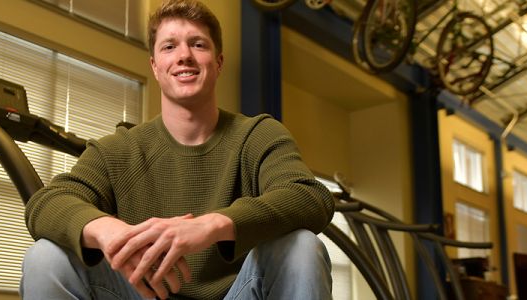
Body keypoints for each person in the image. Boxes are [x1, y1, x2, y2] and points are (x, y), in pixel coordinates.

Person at [20, 0, 335, 299]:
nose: (184, 55)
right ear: (156, 67)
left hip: (239, 294)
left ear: (218, 62)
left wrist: (211, 225)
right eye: (170, 46)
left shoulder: (257, 136)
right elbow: (45, 204)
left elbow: (310, 198)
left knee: (301, 247)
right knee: (46, 257)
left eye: (198, 44)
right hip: (143, 294)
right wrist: (110, 233)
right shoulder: (118, 150)